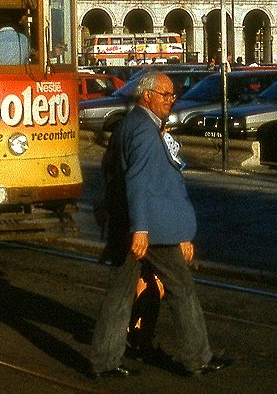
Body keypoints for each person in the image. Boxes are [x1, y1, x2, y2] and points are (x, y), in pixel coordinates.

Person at [90, 71, 230, 378]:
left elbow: (113, 169)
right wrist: (140, 228)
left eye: (172, 95)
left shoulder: (133, 125)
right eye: (165, 95)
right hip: (149, 230)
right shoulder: (143, 130)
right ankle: (198, 358)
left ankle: (104, 361)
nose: (171, 100)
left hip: (135, 225)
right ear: (147, 95)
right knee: (181, 288)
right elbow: (138, 181)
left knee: (120, 294)